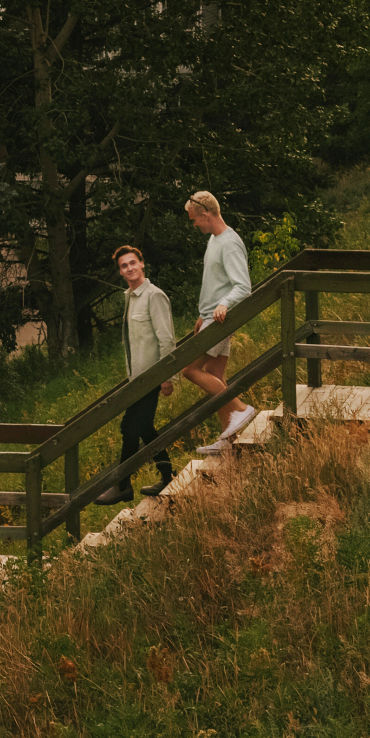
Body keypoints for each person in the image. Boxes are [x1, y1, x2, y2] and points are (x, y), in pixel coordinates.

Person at [94, 244, 177, 504]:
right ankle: (167, 476)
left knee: (130, 427)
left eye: (132, 263)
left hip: (152, 376)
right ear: (120, 272)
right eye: (123, 266)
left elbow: (167, 340)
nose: (129, 268)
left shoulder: (155, 296)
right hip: (137, 378)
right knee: (143, 429)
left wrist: (168, 376)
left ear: (142, 264)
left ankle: (122, 486)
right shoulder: (129, 297)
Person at [184, 190, 256, 451]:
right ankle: (229, 439)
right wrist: (202, 315)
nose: (194, 224)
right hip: (210, 317)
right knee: (214, 374)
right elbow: (216, 283)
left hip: (220, 318)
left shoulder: (230, 243)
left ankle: (241, 408)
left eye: (194, 219)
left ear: (205, 214)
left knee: (189, 370)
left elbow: (243, 286)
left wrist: (223, 304)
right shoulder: (214, 240)